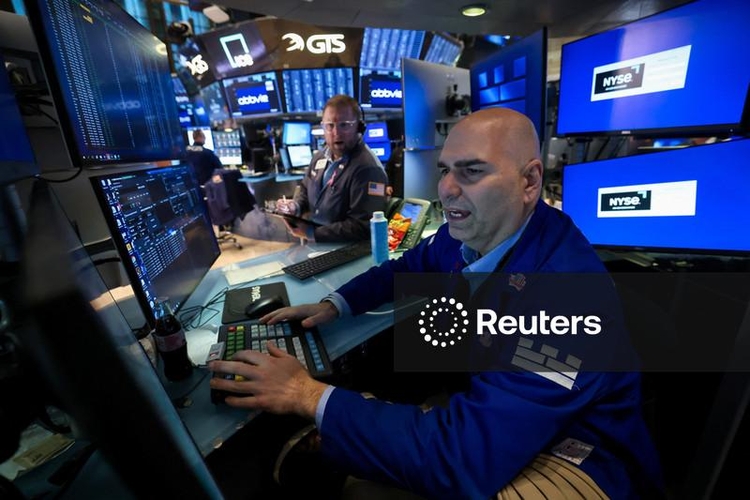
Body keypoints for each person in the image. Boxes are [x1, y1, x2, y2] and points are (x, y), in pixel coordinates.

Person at [209, 108, 664, 499]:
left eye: (472, 172)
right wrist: (336, 304)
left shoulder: (566, 298)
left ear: (529, 181)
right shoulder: (473, 232)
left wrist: (305, 394)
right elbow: (408, 266)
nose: (446, 188)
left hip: (580, 453)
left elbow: (463, 456)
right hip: (508, 417)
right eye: (445, 170)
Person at [275, 94, 388, 242]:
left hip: (345, 250)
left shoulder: (368, 169)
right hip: (317, 244)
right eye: (330, 125)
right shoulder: (320, 157)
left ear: (359, 127)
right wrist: (294, 206)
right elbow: (305, 188)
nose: (336, 133)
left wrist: (312, 233)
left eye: (344, 125)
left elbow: (362, 227)